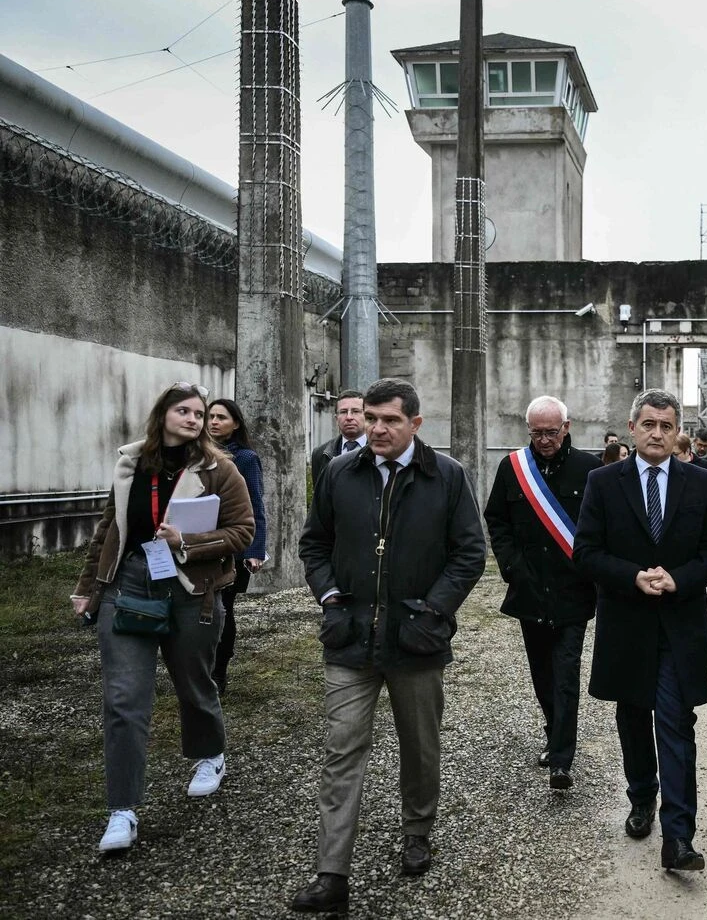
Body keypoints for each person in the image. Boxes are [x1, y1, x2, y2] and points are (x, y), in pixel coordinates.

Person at [292, 378, 487, 913]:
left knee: (420, 746)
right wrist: (330, 598)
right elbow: (315, 543)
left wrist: (433, 610)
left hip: (415, 641)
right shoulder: (339, 472)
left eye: (389, 420)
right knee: (341, 750)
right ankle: (332, 872)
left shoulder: (446, 476)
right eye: (371, 417)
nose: (376, 428)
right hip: (349, 638)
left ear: (415, 424)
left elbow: (469, 552)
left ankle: (417, 831)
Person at [70, 382, 254, 854]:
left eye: (200, 413)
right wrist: (88, 588)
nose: (194, 419)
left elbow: (242, 531)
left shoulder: (220, 468)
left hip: (191, 590)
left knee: (194, 684)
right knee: (123, 699)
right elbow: (109, 530)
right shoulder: (131, 463)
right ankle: (122, 811)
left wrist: (185, 543)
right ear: (163, 415)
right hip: (128, 585)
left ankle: (210, 754)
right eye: (184, 411)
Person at [573, 389, 707, 873]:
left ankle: (679, 836)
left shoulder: (700, 482)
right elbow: (586, 552)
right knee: (634, 717)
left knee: (677, 723)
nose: (657, 433)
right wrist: (632, 576)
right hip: (627, 624)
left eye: (666, 425)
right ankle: (642, 795)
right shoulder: (603, 482)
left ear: (677, 431)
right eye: (648, 424)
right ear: (632, 428)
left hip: (679, 626)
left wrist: (679, 579)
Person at [484, 395, 602, 791]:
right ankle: (554, 729)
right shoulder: (513, 468)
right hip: (530, 589)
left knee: (566, 672)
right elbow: (496, 519)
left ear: (566, 428)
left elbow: (601, 526)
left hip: (573, 591)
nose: (544, 440)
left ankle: (561, 760)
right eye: (537, 433)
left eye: (551, 432)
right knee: (542, 673)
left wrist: (593, 568)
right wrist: (511, 567)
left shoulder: (589, 469)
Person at [206, 398, 268, 695]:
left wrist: (255, 550)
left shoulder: (245, 458)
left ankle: (219, 672)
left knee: (223, 607)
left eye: (221, 417)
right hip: (200, 542)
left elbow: (255, 505)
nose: (214, 422)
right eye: (211, 416)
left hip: (232, 545)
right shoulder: (196, 454)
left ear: (236, 424)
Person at [310, 390, 366, 484]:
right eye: (343, 412)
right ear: (336, 418)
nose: (349, 417)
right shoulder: (320, 454)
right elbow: (320, 491)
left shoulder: (380, 450)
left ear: (367, 416)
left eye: (355, 411)